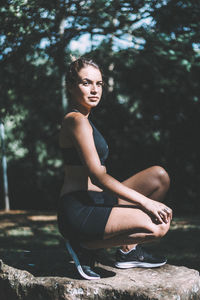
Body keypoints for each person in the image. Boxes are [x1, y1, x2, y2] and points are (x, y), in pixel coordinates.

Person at [57, 57, 172, 280]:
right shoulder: (75, 120)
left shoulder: (86, 120)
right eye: (85, 82)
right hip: (79, 209)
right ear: (70, 87)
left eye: (98, 84)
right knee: (157, 227)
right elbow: (98, 176)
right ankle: (83, 245)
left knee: (159, 177)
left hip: (99, 200)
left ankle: (129, 251)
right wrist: (145, 202)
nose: (94, 90)